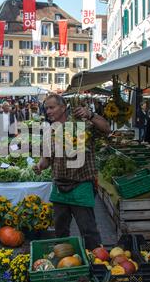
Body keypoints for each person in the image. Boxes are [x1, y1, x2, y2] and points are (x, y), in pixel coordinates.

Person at [33, 94, 111, 250]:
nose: (48, 111)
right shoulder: (50, 132)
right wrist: (40, 166)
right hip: (59, 187)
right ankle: (66, 264)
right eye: (46, 108)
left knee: (88, 230)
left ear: (63, 107)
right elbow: (47, 159)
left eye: (51, 107)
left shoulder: (82, 125)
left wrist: (90, 114)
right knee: (60, 231)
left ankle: (96, 262)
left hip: (81, 185)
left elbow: (107, 129)